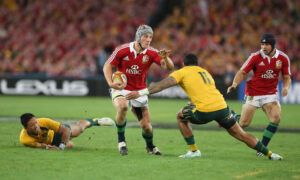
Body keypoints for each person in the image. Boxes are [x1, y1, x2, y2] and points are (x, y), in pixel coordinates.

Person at [126, 53, 283, 160]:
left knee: (180, 116)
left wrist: (140, 93)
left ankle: (193, 150)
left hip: (205, 110)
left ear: (183, 63)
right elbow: (205, 92)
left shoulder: (182, 71)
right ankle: (270, 154)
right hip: (222, 107)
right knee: (241, 134)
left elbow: (161, 85)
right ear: (197, 63)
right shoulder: (205, 72)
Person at [103, 24, 174, 155]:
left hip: (140, 91)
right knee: (123, 106)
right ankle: (121, 142)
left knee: (147, 127)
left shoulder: (152, 52)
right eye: (146, 36)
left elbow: (169, 67)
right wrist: (110, 83)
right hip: (121, 87)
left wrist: (165, 57)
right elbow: (107, 65)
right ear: (138, 37)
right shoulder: (122, 50)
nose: (149, 39)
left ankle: (150, 147)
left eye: (151, 37)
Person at [227, 33, 291, 156]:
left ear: (272, 45)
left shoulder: (283, 58)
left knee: (276, 118)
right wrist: (234, 84)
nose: (263, 47)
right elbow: (242, 72)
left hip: (270, 94)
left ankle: (262, 147)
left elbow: (287, 77)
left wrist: (286, 87)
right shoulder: (255, 57)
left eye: (266, 44)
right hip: (253, 93)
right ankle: (234, 117)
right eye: (262, 44)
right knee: (243, 124)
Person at [19, 113, 115, 150]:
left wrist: (61, 147)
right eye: (32, 125)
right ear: (26, 128)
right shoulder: (25, 139)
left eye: (35, 122)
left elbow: (65, 130)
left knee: (78, 130)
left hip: (57, 133)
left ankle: (94, 121)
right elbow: (41, 146)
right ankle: (76, 125)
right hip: (51, 141)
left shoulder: (44, 121)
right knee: (70, 145)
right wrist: (49, 148)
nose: (36, 126)